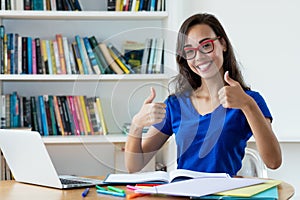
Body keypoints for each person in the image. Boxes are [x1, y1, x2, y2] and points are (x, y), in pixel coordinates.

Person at [125, 13, 282, 176]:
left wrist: (247, 105)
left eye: (206, 46)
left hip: (224, 194)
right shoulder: (175, 105)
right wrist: (137, 125)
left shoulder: (249, 100)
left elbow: (273, 162)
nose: (199, 57)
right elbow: (134, 166)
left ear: (222, 44)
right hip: (185, 193)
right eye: (190, 51)